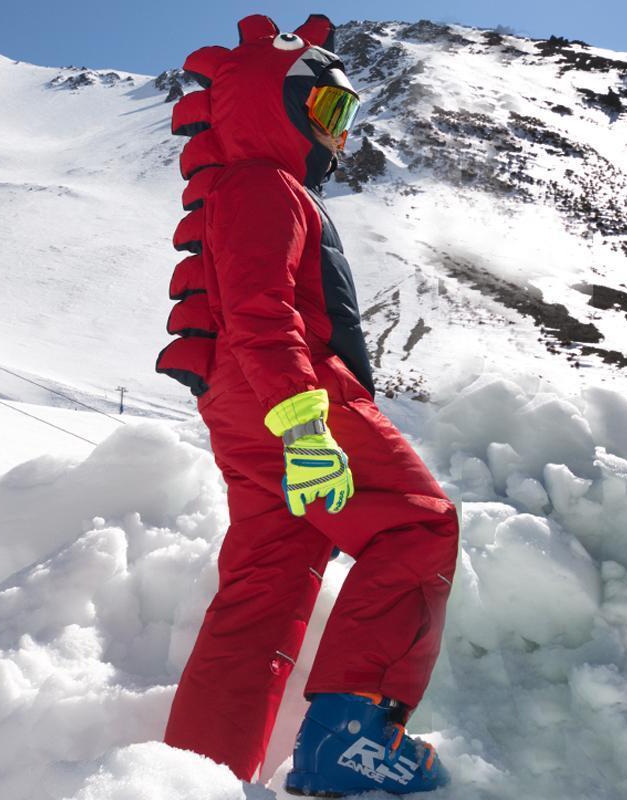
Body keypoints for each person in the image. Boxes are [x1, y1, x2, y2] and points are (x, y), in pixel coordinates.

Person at [156, 13, 459, 796]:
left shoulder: (249, 188)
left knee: (267, 586)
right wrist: (304, 421)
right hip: (291, 390)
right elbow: (260, 310)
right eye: (325, 109)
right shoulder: (263, 185)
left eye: (347, 113)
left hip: (243, 398)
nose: (338, 134)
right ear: (274, 105)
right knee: (416, 523)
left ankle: (195, 777)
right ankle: (352, 737)